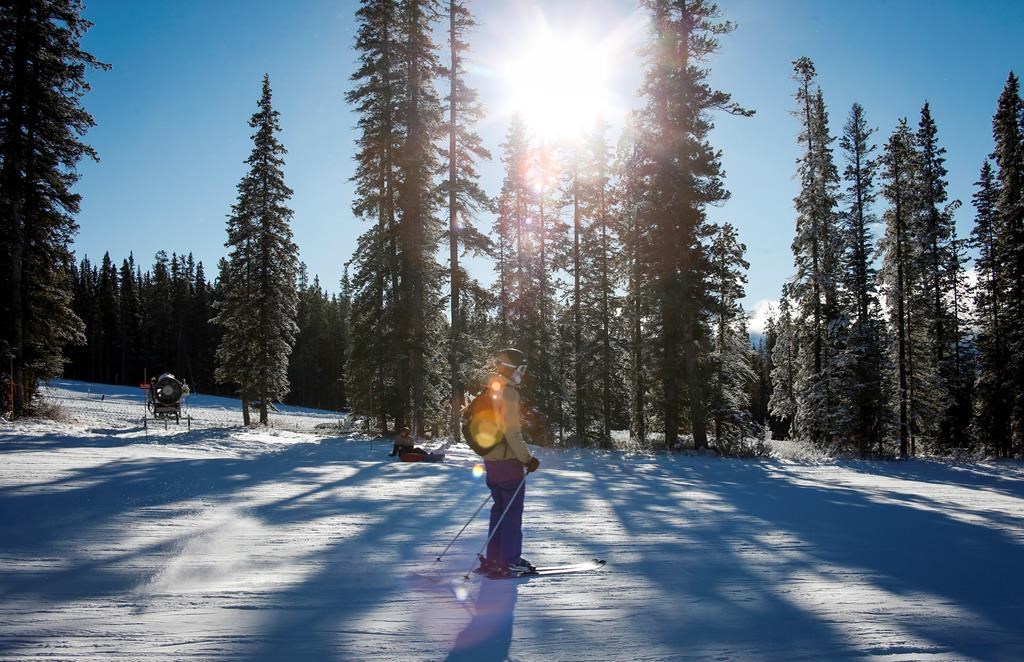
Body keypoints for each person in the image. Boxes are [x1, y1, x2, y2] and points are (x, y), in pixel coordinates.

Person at [478, 348, 541, 578]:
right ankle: (510, 560)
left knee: (500, 509)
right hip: (508, 461)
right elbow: (512, 432)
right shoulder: (509, 393)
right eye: (522, 369)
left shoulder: (489, 390)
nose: (523, 375)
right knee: (512, 511)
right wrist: (527, 459)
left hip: (491, 461)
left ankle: (494, 559)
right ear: (510, 369)